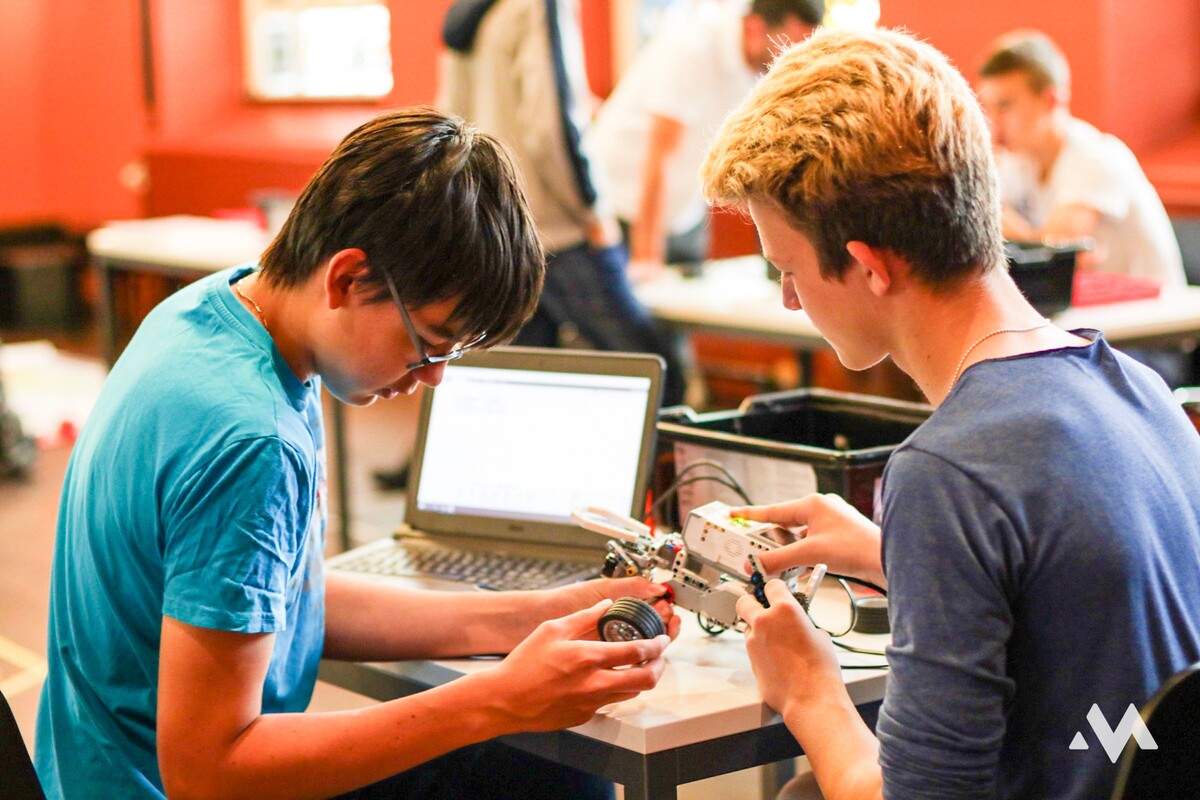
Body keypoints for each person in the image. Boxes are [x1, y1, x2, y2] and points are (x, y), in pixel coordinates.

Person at [34, 108, 679, 800]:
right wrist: (498, 699)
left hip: (82, 774)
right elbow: (208, 772)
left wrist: (531, 613)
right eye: (427, 343)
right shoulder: (253, 440)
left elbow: (275, 593)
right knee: (557, 777)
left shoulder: (217, 313)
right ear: (346, 279)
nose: (434, 377)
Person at [699, 27, 1200, 800]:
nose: (791, 300)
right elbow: (1084, 625)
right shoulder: (1139, 391)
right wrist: (896, 555)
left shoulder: (948, 472)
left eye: (788, 269)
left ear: (868, 267)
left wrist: (807, 690)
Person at [437, 0, 688, 408]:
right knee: (658, 372)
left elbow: (450, 121)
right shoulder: (538, 6)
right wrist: (591, 210)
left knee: (526, 386)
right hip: (558, 229)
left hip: (500, 228)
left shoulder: (471, 13)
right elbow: (550, 125)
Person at [585, 0, 822, 271]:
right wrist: (646, 256)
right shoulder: (691, 47)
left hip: (684, 214)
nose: (793, 60)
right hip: (626, 211)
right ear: (755, 28)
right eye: (788, 45)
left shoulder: (763, 65)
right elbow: (661, 155)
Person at [977, 29, 1185, 288]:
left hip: (1160, 308)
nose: (993, 122)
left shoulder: (1098, 157)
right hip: (1096, 306)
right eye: (988, 108)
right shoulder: (1016, 162)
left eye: (1005, 106)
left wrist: (984, 210)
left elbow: (1052, 256)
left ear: (1051, 100)